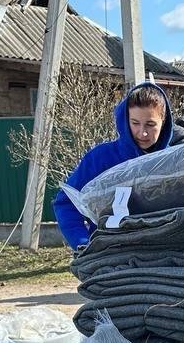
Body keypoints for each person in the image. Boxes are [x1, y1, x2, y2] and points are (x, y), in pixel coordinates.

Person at [53, 82, 174, 249]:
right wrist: (82, 243)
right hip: (110, 256)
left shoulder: (175, 160)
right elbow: (66, 202)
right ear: (125, 120)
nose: (142, 132)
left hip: (161, 255)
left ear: (163, 121)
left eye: (150, 124)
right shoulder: (101, 157)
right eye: (135, 123)